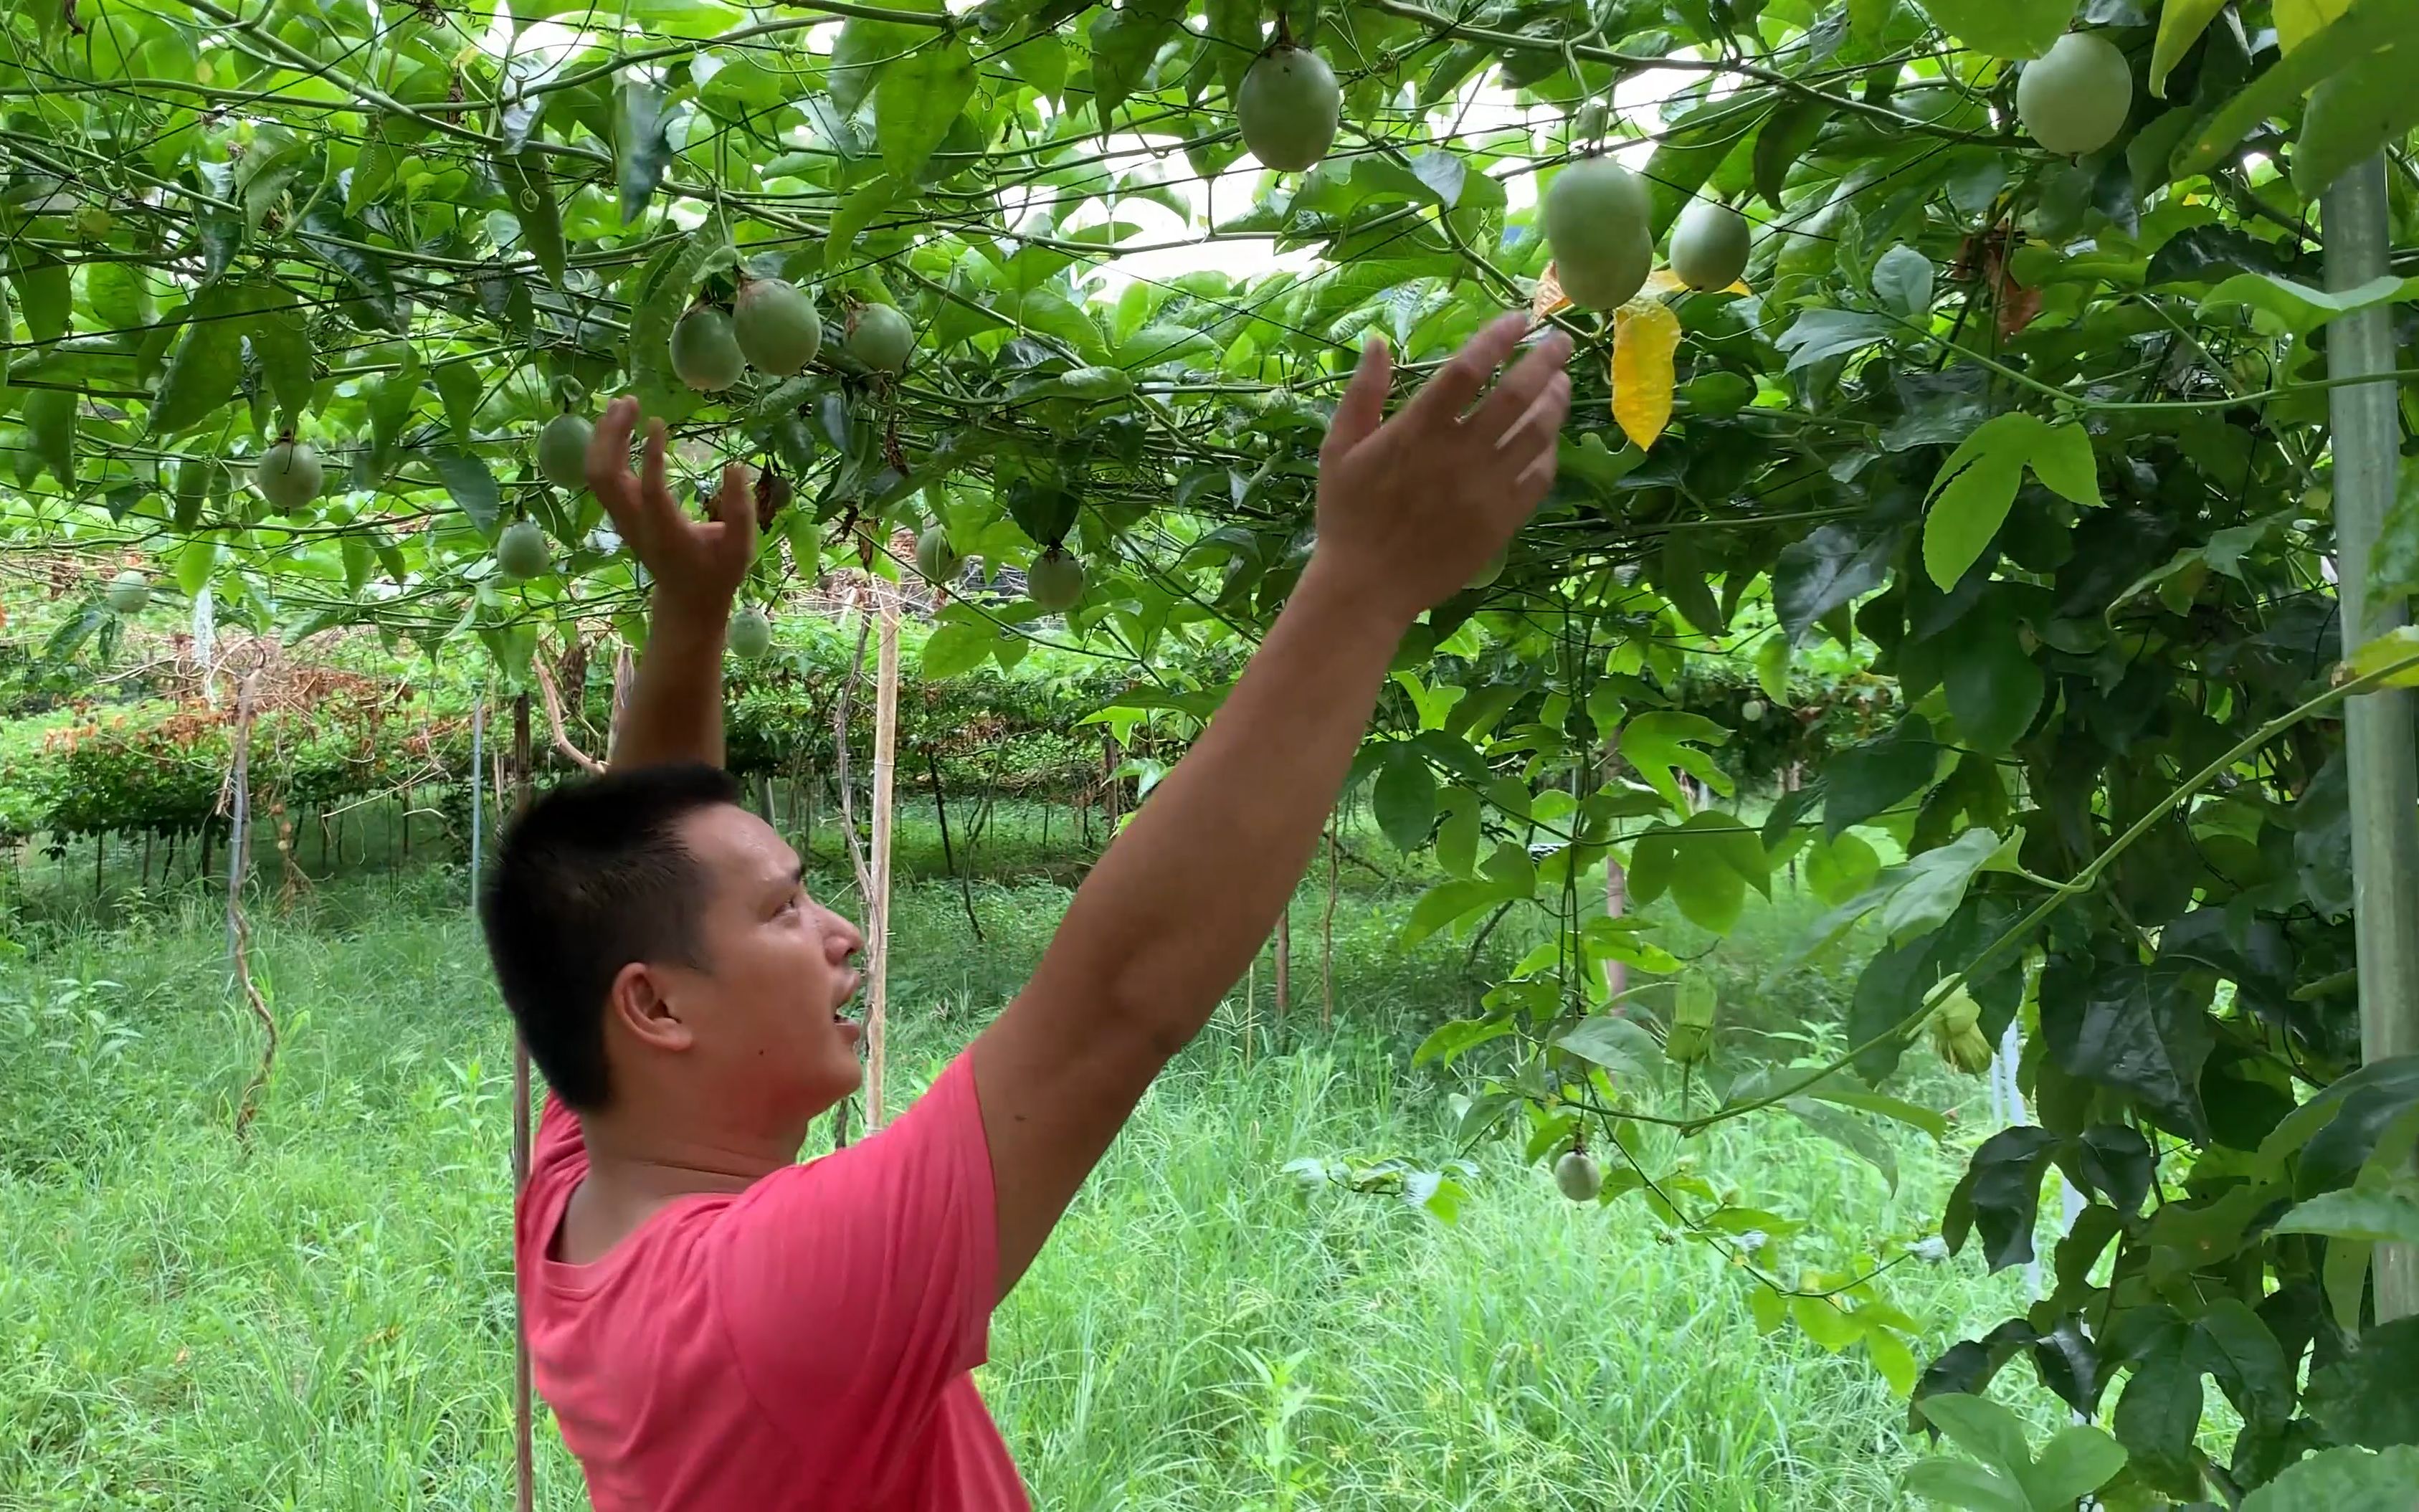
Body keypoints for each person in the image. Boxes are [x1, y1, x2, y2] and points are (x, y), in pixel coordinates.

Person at [479, 311, 1574, 1510]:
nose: (843, 930)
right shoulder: (764, 1297)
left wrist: (689, 616)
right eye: (788, 909)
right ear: (654, 1008)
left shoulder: (583, 1197)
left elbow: (639, 871)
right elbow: (1115, 1006)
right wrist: (1365, 583)